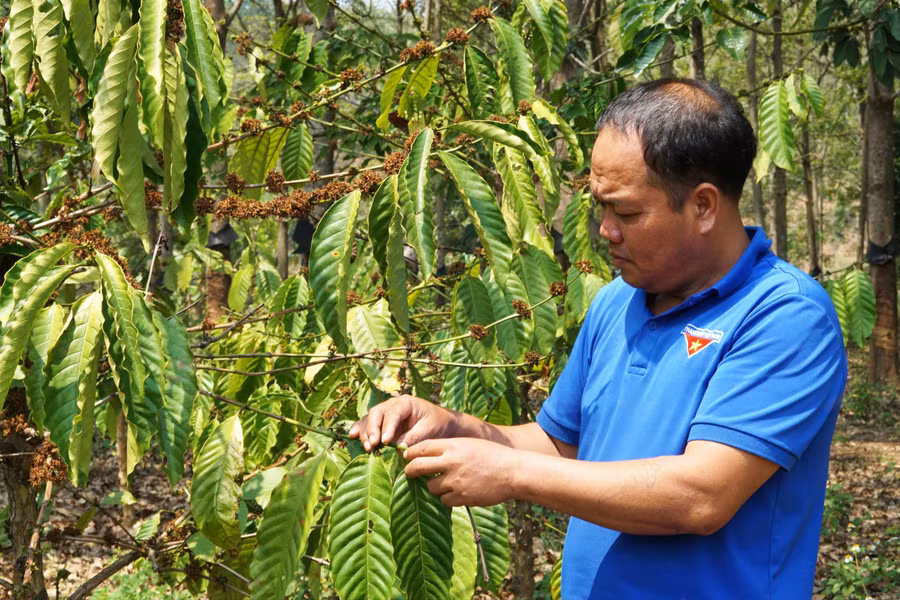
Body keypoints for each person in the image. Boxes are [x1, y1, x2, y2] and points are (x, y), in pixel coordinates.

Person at [349, 78, 847, 599]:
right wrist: (455, 427)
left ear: (703, 206)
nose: (605, 230)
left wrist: (512, 473)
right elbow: (560, 445)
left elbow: (702, 495)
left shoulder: (785, 314)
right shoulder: (617, 301)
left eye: (626, 212)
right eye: (600, 207)